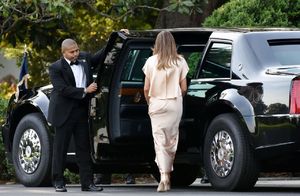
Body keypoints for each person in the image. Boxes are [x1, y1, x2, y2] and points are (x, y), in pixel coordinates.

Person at [48, 38, 104, 192]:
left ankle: (87, 183)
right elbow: (62, 89)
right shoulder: (55, 68)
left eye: (77, 50)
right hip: (63, 112)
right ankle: (58, 182)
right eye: (72, 52)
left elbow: (100, 57)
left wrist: (116, 38)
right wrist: (85, 90)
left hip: (81, 110)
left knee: (83, 148)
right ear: (64, 52)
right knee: (60, 148)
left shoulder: (84, 58)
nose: (75, 54)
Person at [142, 31, 189, 192]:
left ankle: (164, 176)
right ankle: (167, 173)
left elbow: (146, 88)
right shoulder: (180, 61)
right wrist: (177, 99)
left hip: (156, 103)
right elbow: (184, 88)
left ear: (157, 43)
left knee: (159, 141)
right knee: (171, 140)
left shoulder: (150, 61)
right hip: (174, 103)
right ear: (172, 43)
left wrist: (150, 102)